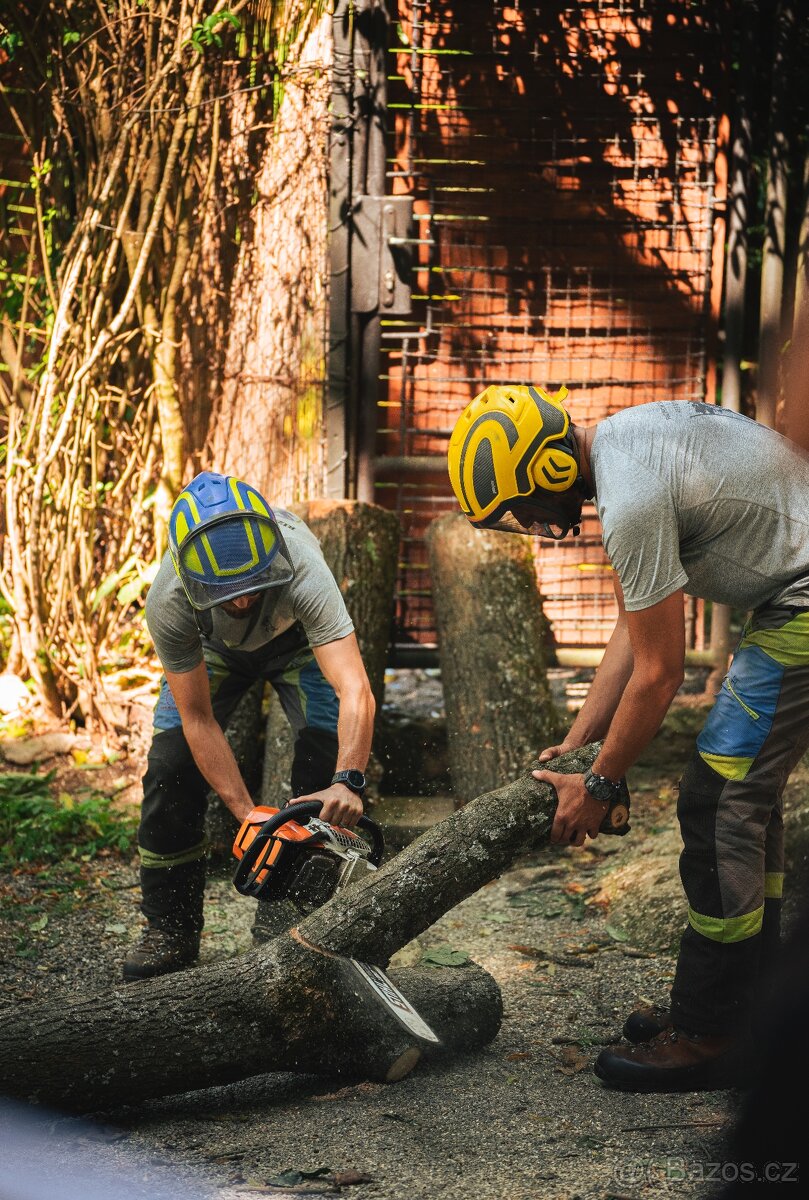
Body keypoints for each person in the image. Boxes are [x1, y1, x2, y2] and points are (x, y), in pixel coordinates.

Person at [447, 384, 809, 1092]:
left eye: (518, 508)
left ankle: (711, 1033)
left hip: (800, 604)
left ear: (548, 472)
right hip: (790, 599)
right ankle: (751, 1004)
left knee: (715, 803)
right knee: (743, 803)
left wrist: (603, 783)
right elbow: (632, 629)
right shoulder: (625, 451)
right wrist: (580, 743)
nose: (526, 522)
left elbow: (659, 675)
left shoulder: (630, 493)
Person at [123, 471, 375, 981]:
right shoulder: (169, 598)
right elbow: (196, 718)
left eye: (251, 588)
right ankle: (169, 925)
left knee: (321, 767)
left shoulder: (302, 563)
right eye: (227, 593)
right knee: (169, 766)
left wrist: (348, 778)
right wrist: (248, 815)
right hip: (211, 650)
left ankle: (290, 917)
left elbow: (355, 689)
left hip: (298, 643)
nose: (240, 601)